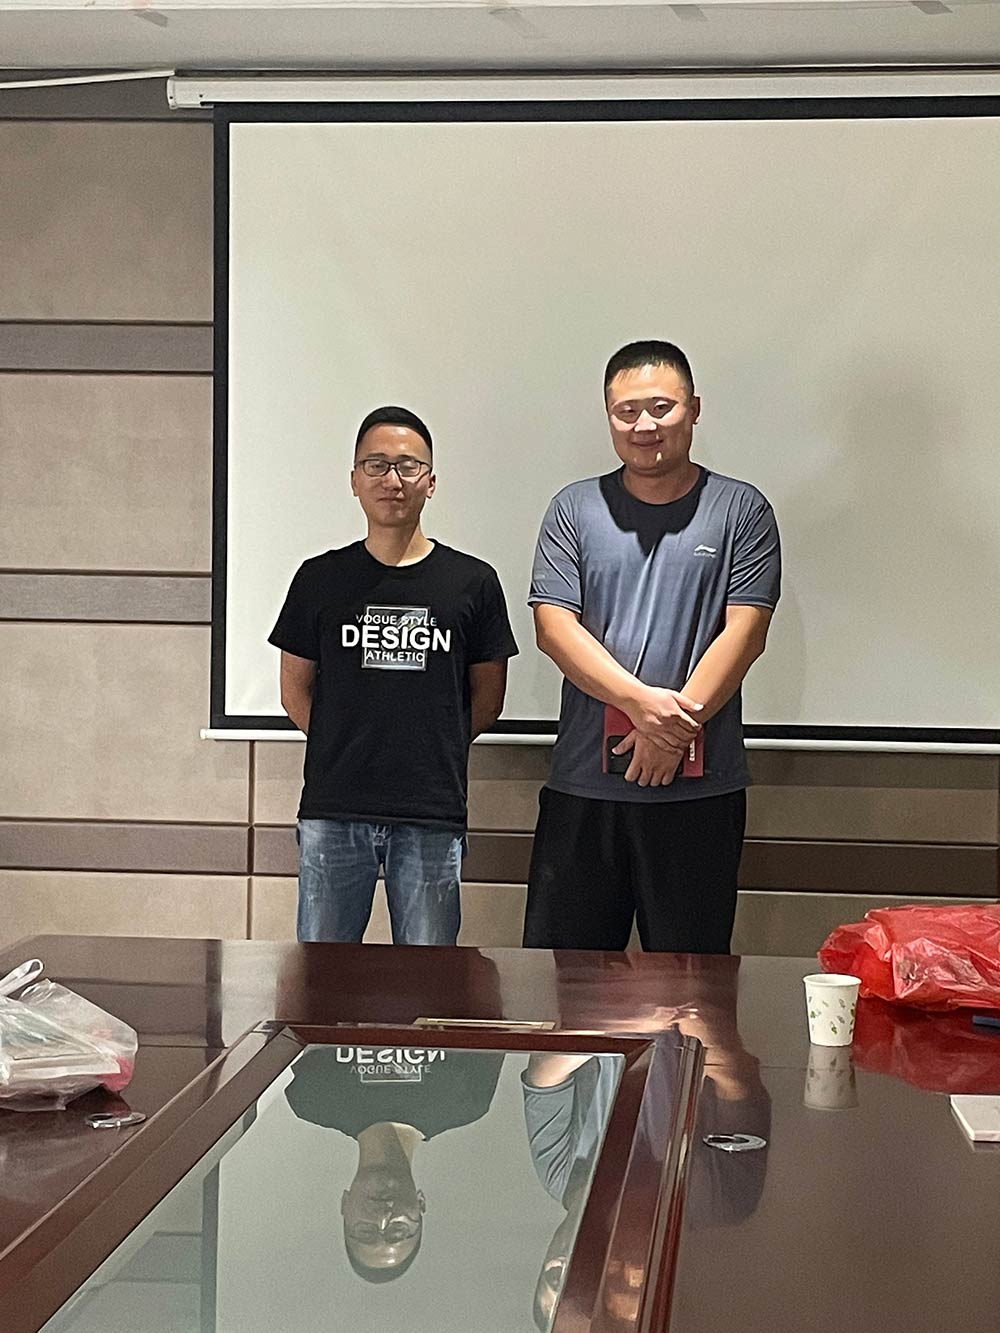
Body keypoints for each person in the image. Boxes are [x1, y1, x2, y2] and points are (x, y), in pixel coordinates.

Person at [524, 340, 780, 954]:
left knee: (692, 987)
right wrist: (644, 707)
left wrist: (671, 733)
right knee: (567, 984)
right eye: (626, 411)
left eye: (662, 407)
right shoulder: (574, 508)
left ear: (695, 410)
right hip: (585, 787)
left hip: (701, 793)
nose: (644, 425)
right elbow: (554, 628)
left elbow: (745, 635)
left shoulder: (741, 509)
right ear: (609, 417)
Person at [269, 405, 518, 945]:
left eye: (408, 466)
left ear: (431, 482)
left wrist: (428, 747)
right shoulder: (318, 579)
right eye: (376, 465)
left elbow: (487, 699)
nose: (392, 479)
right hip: (334, 809)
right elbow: (294, 691)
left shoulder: (473, 582)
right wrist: (346, 742)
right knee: (323, 977)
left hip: (431, 811)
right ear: (354, 480)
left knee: (429, 979)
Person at [285, 1044, 503, 1281]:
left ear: (345, 1205)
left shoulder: (311, 1098)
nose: (382, 1217)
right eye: (398, 1231)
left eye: (365, 1231)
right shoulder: (469, 1100)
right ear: (421, 1204)